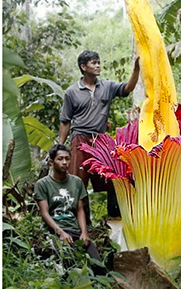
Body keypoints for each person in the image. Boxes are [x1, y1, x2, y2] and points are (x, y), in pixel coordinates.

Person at [59, 50, 140, 218]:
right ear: (83, 66)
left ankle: (115, 219)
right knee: (78, 182)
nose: (98, 66)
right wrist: (60, 146)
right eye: (94, 63)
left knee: (113, 177)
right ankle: (80, 224)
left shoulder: (107, 86)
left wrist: (136, 70)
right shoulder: (72, 92)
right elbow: (65, 121)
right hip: (80, 138)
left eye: (98, 62)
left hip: (101, 140)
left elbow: (127, 88)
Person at [34, 144, 101, 262]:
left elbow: (80, 209)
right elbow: (44, 213)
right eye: (60, 159)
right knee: (68, 260)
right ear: (51, 162)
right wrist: (60, 232)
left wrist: (84, 233)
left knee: (97, 263)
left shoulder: (77, 182)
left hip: (74, 229)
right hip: (53, 231)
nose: (64, 162)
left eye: (67, 158)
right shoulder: (42, 184)